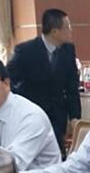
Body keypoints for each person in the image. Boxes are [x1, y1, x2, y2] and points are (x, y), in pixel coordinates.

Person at [7, 8, 81, 153]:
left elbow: (72, 86)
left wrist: (74, 116)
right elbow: (8, 80)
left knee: (57, 153)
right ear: (54, 31)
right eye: (67, 27)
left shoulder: (68, 50)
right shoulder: (25, 50)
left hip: (58, 114)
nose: (70, 30)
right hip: (31, 113)